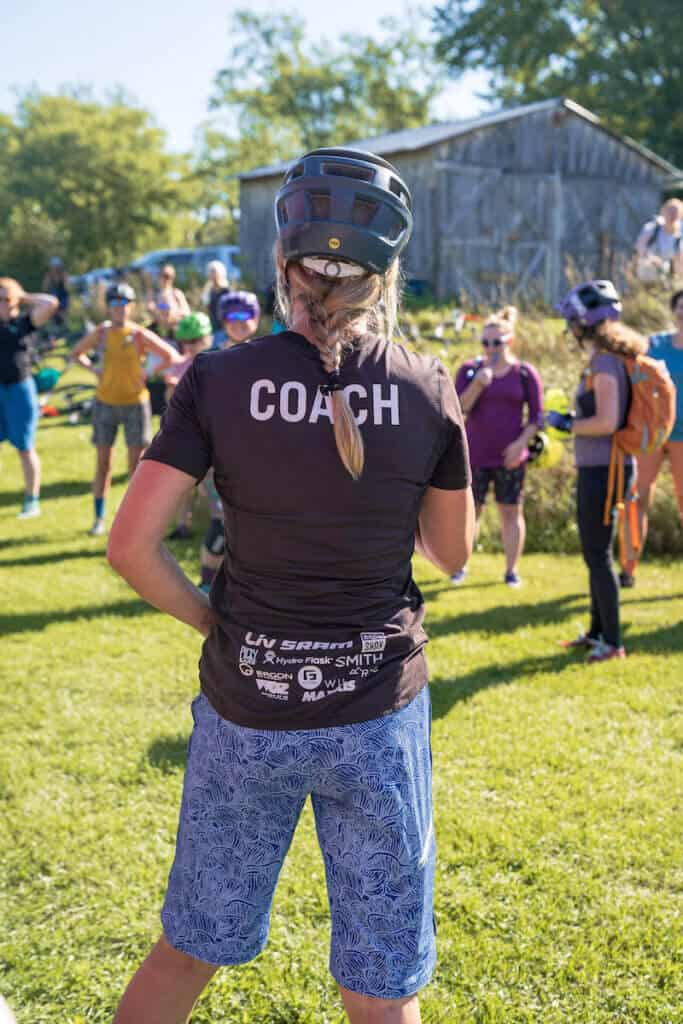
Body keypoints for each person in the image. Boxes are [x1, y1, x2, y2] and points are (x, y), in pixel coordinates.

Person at [107, 147, 474, 1024]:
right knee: (381, 987)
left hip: (247, 710)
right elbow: (453, 555)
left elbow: (131, 547)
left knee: (190, 946)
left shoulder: (219, 377)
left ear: (282, 265)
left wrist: (213, 620)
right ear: (386, 276)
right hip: (377, 715)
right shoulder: (425, 387)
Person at [551, 279, 646, 663]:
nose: (569, 328)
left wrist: (566, 424)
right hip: (600, 468)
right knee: (595, 553)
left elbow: (607, 421)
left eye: (572, 321)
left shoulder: (605, 362)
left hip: (605, 470)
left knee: (598, 554)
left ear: (584, 322)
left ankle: (614, 643)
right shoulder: (605, 359)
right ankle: (596, 633)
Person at [67, 283, 179, 536]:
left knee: (135, 467)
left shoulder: (138, 334)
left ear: (132, 306)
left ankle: (132, 521)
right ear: (109, 307)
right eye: (115, 304)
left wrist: (148, 372)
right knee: (103, 463)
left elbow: (170, 356)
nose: (120, 309)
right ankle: (98, 518)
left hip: (135, 403)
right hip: (105, 402)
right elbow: (76, 353)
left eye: (124, 304)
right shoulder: (102, 333)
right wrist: (94, 370)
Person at [454, 306, 543, 587]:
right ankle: (459, 565)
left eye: (496, 342)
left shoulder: (525, 374)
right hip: (476, 455)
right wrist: (478, 385)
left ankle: (511, 571)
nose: (490, 347)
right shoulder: (469, 371)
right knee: (471, 512)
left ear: (509, 341)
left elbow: (537, 417)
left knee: (511, 512)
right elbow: (457, 410)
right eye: (485, 342)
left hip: (511, 457)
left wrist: (520, 445)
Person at [198, 289, 261, 591]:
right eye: (232, 317)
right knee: (221, 519)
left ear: (256, 318)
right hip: (218, 453)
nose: (238, 322)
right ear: (222, 321)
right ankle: (207, 584)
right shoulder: (212, 360)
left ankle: (241, 583)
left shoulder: (269, 356)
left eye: (244, 315)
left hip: (257, 455)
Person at [627, 288, 683, 581]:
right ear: (674, 310)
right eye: (681, 307)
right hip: (652, 434)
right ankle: (628, 568)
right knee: (636, 497)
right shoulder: (654, 345)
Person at [0, 277, 59, 518]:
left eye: (5, 298)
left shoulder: (25, 323)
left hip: (20, 390)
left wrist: (23, 297)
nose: (1, 303)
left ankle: (31, 500)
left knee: (25, 447)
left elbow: (51, 303)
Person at [164, 312, 214, 541]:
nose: (191, 346)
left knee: (210, 484)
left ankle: (219, 523)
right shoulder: (178, 367)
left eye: (196, 341)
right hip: (186, 435)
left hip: (211, 435)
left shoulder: (218, 364)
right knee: (183, 485)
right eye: (187, 342)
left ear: (207, 339)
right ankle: (182, 524)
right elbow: (169, 403)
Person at [635, 199, 683, 283]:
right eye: (670, 212)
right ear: (663, 212)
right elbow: (639, 245)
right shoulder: (653, 228)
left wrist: (678, 278)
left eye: (676, 212)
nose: (673, 215)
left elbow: (678, 260)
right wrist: (651, 258)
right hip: (644, 272)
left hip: (663, 276)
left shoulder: (679, 236)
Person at [201, 259, 231, 347]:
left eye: (214, 271)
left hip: (224, 329)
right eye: (210, 272)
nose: (212, 274)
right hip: (212, 328)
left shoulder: (226, 291)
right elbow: (206, 308)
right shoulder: (208, 290)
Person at [41, 257, 70, 335]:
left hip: (62, 296)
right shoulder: (49, 276)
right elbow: (45, 288)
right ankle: (52, 332)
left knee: (62, 313)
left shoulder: (63, 275)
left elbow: (66, 288)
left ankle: (64, 330)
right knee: (51, 314)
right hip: (52, 296)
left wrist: (62, 278)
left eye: (57, 267)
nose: (55, 269)